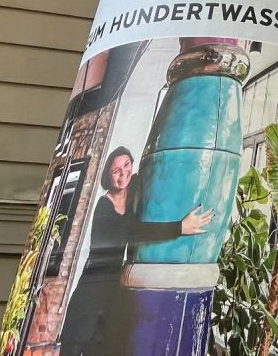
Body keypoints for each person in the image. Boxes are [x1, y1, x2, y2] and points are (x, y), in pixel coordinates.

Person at [59, 145, 216, 354]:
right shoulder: (103, 208)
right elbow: (130, 231)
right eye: (116, 170)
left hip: (112, 291)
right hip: (91, 290)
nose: (123, 173)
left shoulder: (132, 192)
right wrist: (179, 227)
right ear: (108, 176)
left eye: (126, 165)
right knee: (75, 346)